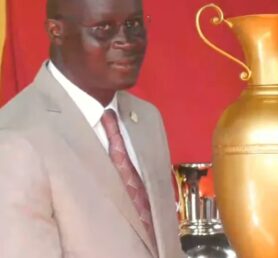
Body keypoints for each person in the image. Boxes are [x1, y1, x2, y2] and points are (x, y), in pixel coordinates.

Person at [0, 0, 184, 257]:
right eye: (103, 27)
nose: (126, 41)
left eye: (133, 24)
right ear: (56, 31)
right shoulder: (15, 139)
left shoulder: (146, 118)